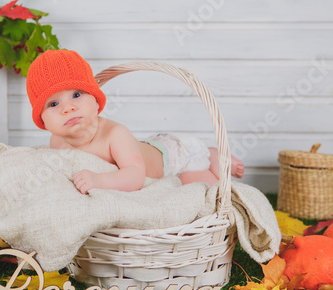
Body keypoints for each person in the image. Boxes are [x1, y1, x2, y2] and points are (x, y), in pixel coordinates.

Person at [26, 49, 244, 194]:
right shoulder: (57, 142)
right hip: (146, 147)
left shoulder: (114, 134)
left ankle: (214, 155)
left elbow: (136, 176)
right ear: (42, 120)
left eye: (76, 95)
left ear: (96, 100)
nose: (68, 108)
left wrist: (98, 181)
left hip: (175, 158)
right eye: (53, 104)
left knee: (207, 189)